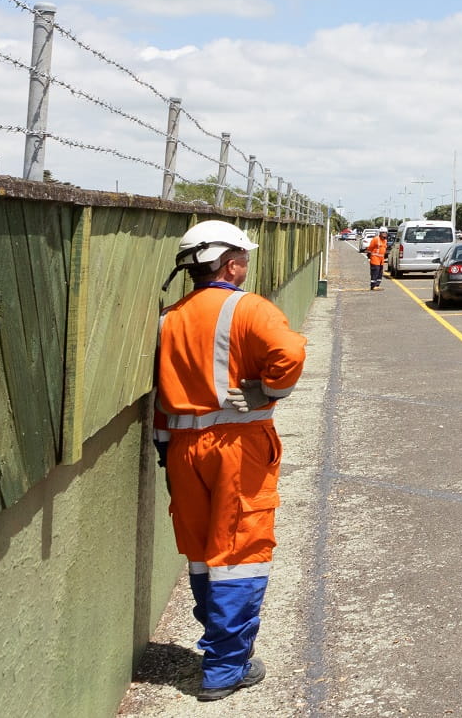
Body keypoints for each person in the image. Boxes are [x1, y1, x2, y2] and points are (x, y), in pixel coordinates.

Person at [153, 220, 307, 702]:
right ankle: (225, 667)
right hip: (236, 449)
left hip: (182, 450)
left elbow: (161, 392)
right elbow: (289, 352)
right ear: (231, 263)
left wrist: (166, 448)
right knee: (239, 554)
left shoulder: (170, 317)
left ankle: (222, 651)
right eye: (244, 258)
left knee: (202, 552)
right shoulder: (249, 308)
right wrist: (270, 390)